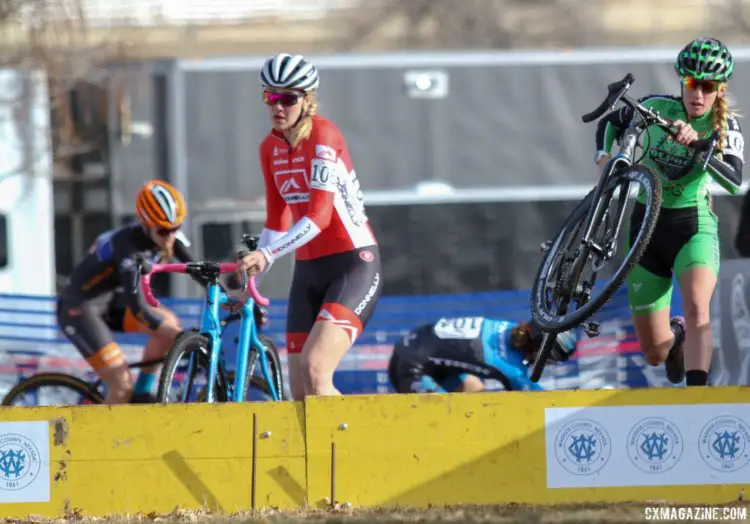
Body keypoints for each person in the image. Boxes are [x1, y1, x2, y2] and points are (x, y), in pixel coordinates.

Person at [593, 37, 743, 387]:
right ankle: (676, 337)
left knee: (698, 309)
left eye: (708, 87)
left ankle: (697, 398)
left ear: (720, 89)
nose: (699, 95)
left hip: (693, 227)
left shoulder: (723, 128)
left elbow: (735, 180)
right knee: (655, 352)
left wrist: (701, 146)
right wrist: (602, 157)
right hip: (646, 228)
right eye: (692, 84)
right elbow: (611, 122)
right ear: (682, 82)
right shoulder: (659, 108)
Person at [236, 52, 382, 400]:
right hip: (307, 271)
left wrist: (267, 254)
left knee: (316, 369)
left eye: (288, 98)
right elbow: (276, 220)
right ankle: (311, 456)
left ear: (308, 100)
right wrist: (253, 273)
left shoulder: (323, 136)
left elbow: (318, 218)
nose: (278, 106)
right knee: (299, 392)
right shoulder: (268, 148)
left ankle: (350, 452)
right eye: (271, 96)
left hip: (353, 263)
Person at [57, 180, 193, 404]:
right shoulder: (128, 244)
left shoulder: (163, 233)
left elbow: (198, 269)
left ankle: (142, 392)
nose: (170, 236)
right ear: (147, 224)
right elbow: (137, 306)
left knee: (169, 320)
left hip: (109, 303)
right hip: (80, 309)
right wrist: (180, 340)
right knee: (121, 386)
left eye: (176, 228)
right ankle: (99, 438)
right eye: (164, 230)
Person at [388, 316, 577, 393]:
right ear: (540, 350)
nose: (549, 365)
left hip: (411, 346)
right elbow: (538, 401)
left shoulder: (509, 328)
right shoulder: (509, 367)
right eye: (551, 360)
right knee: (446, 422)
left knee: (475, 391)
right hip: (411, 367)